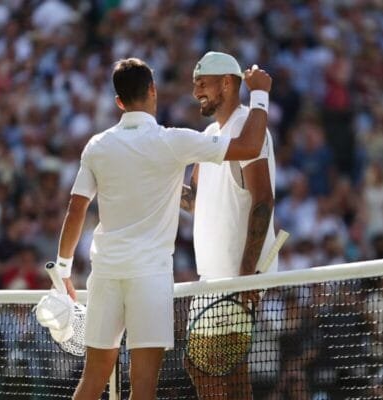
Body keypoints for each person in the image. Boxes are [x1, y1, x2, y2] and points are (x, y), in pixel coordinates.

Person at [55, 57, 272, 400]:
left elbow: (76, 209)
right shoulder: (174, 141)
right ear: (153, 92)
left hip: (106, 273)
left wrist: (63, 269)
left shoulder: (97, 146)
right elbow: (249, 146)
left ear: (118, 102)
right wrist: (260, 95)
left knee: (92, 379)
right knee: (144, 388)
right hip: (150, 278)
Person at [181, 51, 277, 400]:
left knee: (202, 366)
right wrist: (153, 183)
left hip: (236, 279)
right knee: (233, 377)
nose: (196, 92)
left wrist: (247, 272)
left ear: (227, 83)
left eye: (202, 84)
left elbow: (263, 200)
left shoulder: (249, 126)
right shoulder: (209, 134)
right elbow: (196, 200)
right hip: (215, 279)